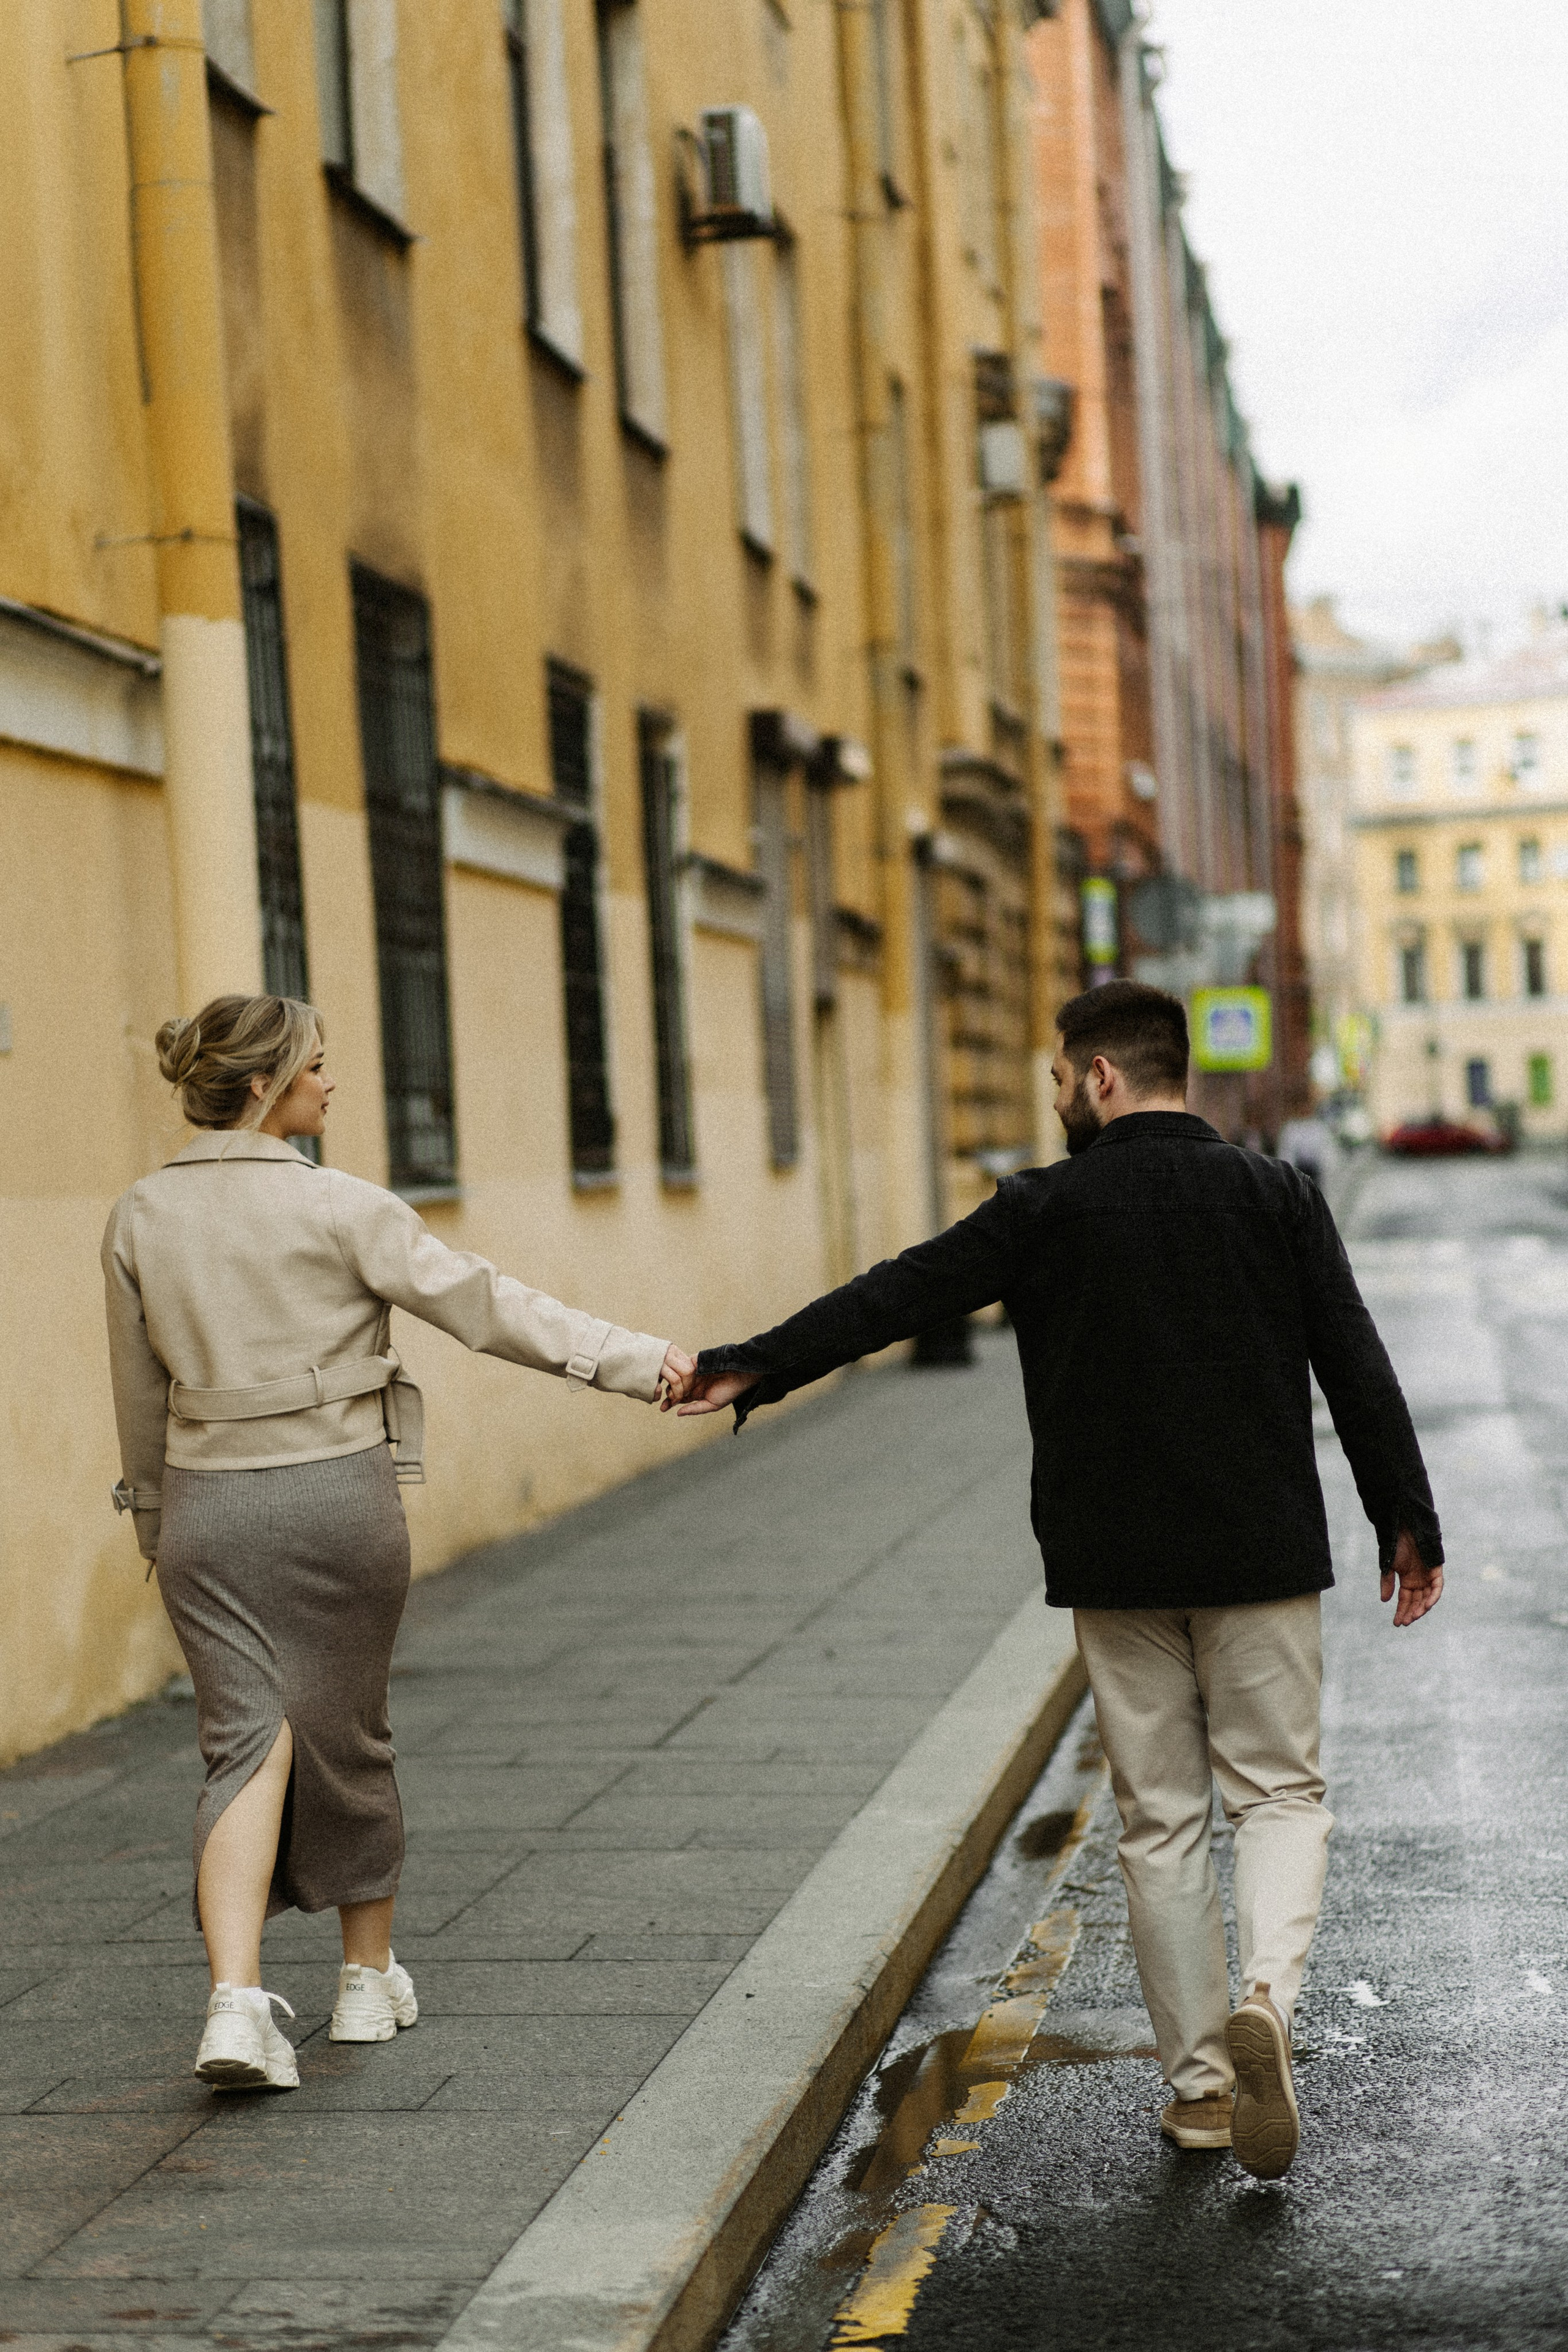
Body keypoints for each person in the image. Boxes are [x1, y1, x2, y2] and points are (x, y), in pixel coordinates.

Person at [678, 980, 1444, 2180]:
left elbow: (897, 1295)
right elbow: (1350, 1351)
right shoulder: (1276, 1194)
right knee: (1279, 1796)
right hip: (1258, 1550)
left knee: (1157, 1823)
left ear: (1098, 1078)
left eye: (1055, 1078)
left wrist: (753, 1367)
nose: (1053, 1099)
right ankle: (1264, 2002)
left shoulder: (1044, 1206)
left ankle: (1197, 2090)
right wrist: (1404, 1514)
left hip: (1112, 1562)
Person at [104, 995, 692, 2093]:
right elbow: (486, 1306)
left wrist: (156, 1520)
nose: (334, 1085)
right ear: (268, 1085)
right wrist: (636, 1359)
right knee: (350, 1732)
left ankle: (235, 2004)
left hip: (207, 1508)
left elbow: (139, 1398)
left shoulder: (138, 1216)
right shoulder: (344, 1207)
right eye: (319, 1068)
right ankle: (364, 1985)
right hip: (338, 1499)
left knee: (244, 1742)